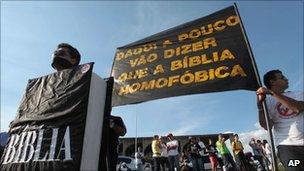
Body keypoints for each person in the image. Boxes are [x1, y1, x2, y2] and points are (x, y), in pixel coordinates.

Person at [256, 70, 304, 170]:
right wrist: (260, 107)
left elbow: (297, 108)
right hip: (287, 149)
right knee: (294, 168)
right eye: (282, 77)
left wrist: (272, 93)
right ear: (272, 82)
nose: (286, 79)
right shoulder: (267, 102)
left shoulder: (298, 94)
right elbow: (267, 126)